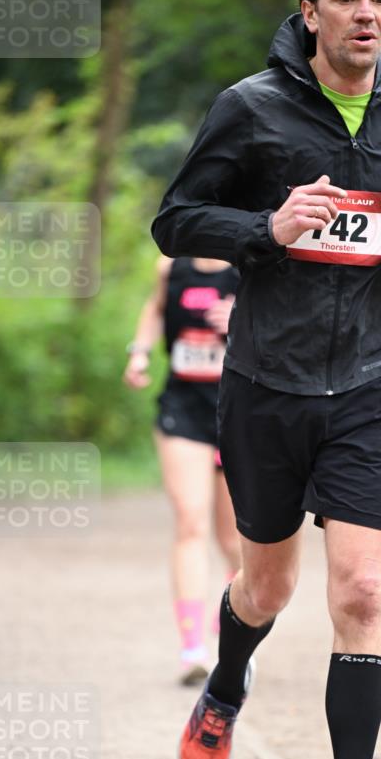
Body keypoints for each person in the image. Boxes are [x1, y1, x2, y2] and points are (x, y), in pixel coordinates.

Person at [151, 0, 381, 759]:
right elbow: (175, 221)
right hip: (267, 384)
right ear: (310, 11)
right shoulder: (251, 106)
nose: (367, 14)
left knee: (361, 592)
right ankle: (227, 682)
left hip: (372, 385)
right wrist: (264, 230)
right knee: (266, 590)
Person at [123, 255, 241, 686]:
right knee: (190, 522)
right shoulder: (169, 267)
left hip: (239, 412)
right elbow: (155, 309)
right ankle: (192, 648)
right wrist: (139, 353)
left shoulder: (251, 262)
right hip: (183, 411)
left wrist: (241, 318)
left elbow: (289, 326)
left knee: (233, 539)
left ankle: (238, 617)